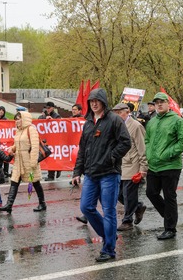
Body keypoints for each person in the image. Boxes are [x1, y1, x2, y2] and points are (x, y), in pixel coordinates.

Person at [71, 88, 131, 262]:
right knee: (86, 207)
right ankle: (109, 235)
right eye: (91, 101)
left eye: (97, 100)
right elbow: (82, 149)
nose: (94, 103)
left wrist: (111, 157)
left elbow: (125, 142)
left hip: (109, 174)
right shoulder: (88, 122)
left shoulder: (114, 120)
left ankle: (109, 249)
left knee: (109, 211)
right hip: (90, 174)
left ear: (104, 102)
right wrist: (77, 172)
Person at [145, 92, 183, 240]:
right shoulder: (151, 122)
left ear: (168, 103)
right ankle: (169, 215)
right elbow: (147, 141)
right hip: (154, 165)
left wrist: (167, 154)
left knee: (169, 196)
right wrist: (149, 154)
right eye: (156, 102)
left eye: (162, 102)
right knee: (151, 192)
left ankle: (170, 228)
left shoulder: (177, 120)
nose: (159, 104)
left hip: (171, 165)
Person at [0, 111, 47, 214]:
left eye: (19, 118)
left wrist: (33, 162)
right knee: (14, 181)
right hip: (19, 161)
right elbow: (18, 143)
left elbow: (34, 146)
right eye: (16, 119)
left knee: (35, 182)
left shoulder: (31, 129)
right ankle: (9, 205)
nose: (17, 121)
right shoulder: (19, 131)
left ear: (25, 119)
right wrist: (12, 149)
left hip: (29, 160)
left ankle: (42, 203)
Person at [112, 103, 148, 231]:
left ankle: (127, 220)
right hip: (120, 165)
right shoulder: (116, 126)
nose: (116, 115)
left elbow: (142, 148)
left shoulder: (136, 126)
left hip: (133, 165)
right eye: (115, 112)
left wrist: (143, 168)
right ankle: (138, 207)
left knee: (128, 194)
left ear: (127, 112)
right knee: (118, 194)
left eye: (119, 112)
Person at [39, 101, 61, 181]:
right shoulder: (43, 115)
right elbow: (38, 123)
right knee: (48, 157)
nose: (47, 109)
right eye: (46, 108)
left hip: (54, 140)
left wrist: (52, 120)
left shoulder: (57, 116)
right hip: (46, 140)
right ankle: (57, 168)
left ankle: (51, 175)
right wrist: (42, 117)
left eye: (49, 108)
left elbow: (60, 125)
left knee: (52, 157)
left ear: (53, 108)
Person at [0, 106, 10, 177]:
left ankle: (6, 171)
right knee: (0, 156)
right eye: (0, 110)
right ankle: (2, 171)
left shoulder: (6, 120)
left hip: (5, 139)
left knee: (5, 155)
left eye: (3, 110)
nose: (1, 112)